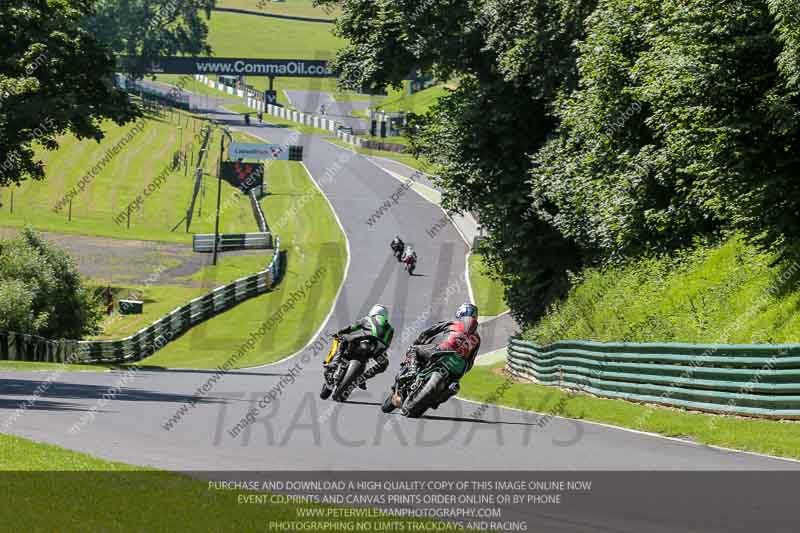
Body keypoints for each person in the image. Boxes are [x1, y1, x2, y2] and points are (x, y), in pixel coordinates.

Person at [401, 303, 481, 407]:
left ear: (459, 313)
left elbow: (429, 332)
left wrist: (418, 342)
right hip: (460, 366)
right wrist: (461, 373)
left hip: (443, 350)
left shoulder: (452, 323)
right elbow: (471, 361)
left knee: (414, 350)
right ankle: (439, 398)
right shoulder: (477, 338)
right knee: (454, 386)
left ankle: (412, 370)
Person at [328, 304, 395, 390]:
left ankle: (335, 362)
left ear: (373, 311)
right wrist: (380, 352)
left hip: (362, 340)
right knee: (384, 364)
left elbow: (351, 327)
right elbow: (387, 344)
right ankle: (362, 378)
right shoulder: (390, 329)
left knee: (343, 339)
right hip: (376, 349)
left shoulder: (367, 319)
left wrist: (339, 332)